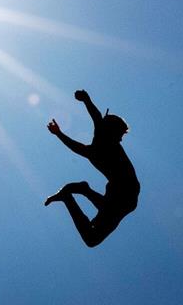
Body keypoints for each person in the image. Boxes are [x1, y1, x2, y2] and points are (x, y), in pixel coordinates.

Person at [44, 89, 140, 247]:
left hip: (125, 194)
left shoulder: (95, 150)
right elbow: (96, 117)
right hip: (123, 195)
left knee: (92, 237)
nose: (121, 139)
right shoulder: (106, 139)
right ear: (113, 130)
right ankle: (77, 192)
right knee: (91, 239)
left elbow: (77, 146)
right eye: (121, 134)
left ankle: (80, 191)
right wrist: (86, 100)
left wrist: (59, 133)